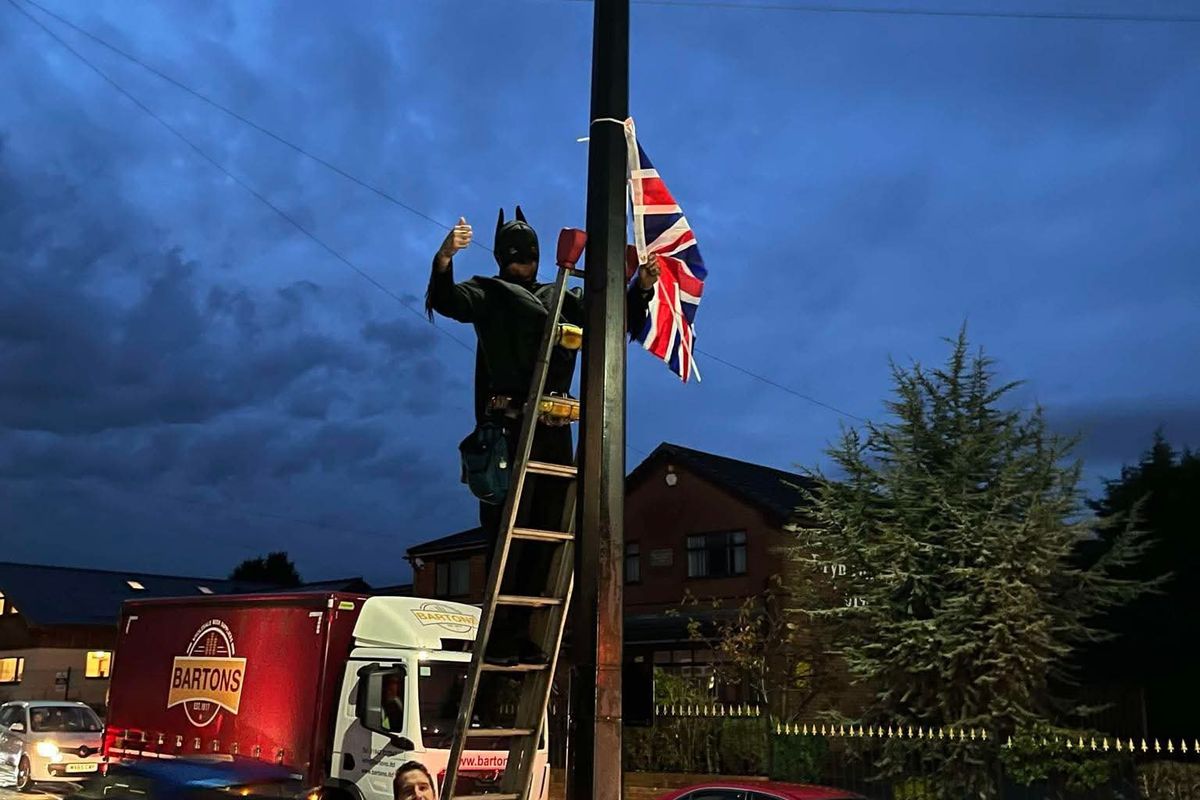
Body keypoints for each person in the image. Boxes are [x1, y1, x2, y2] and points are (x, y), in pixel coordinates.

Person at [426, 208, 658, 666]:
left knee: (547, 536)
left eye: (526, 256)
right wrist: (444, 257)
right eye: (513, 256)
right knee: (505, 538)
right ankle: (501, 639)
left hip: (551, 430)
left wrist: (641, 288)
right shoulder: (488, 293)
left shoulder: (561, 298)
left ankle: (528, 632)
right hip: (506, 432)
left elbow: (609, 317)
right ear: (501, 258)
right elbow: (449, 300)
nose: (520, 263)